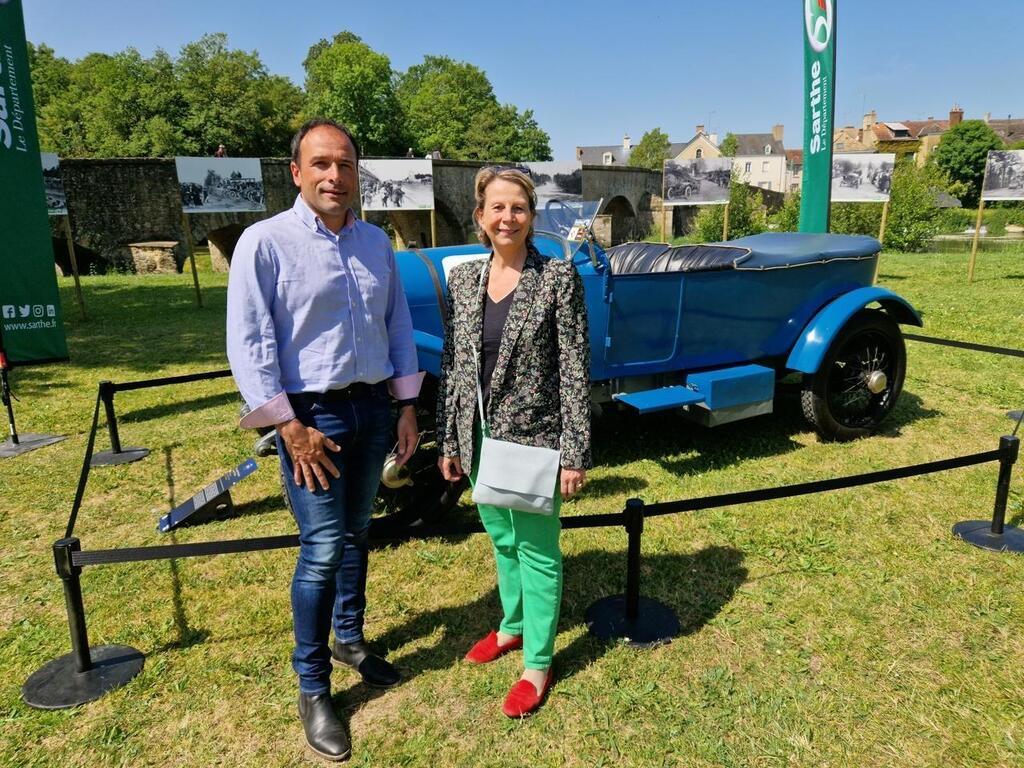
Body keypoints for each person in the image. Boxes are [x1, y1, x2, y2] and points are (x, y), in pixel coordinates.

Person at [226, 118, 423, 761]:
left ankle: (350, 638)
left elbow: (397, 326)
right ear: (296, 172)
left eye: (344, 164)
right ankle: (313, 687)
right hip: (311, 418)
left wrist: (406, 405)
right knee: (322, 548)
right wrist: (288, 426)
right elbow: (250, 344)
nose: (334, 175)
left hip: (372, 409)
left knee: (359, 532)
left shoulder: (375, 244)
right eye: (321, 164)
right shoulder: (265, 243)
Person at [435, 167, 591, 718]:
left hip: (534, 440)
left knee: (538, 552)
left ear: (531, 217)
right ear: (480, 217)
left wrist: (574, 453)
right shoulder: (463, 281)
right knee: (501, 540)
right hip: (477, 437)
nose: (507, 218)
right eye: (496, 208)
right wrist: (450, 439)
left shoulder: (557, 279)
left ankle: (539, 661)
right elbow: (454, 367)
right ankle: (512, 627)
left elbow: (574, 370)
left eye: (518, 208)